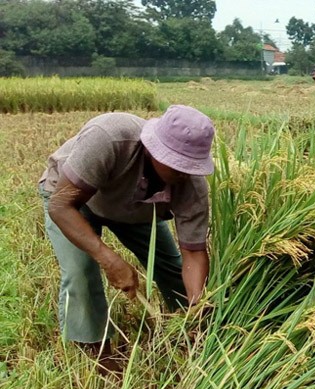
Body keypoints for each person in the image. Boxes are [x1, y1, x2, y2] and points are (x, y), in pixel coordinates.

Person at [38, 105, 215, 371]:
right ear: (155, 149)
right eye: (178, 165)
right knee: (81, 272)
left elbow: (193, 253)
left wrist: (196, 306)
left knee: (174, 271)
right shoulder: (109, 138)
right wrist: (110, 260)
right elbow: (61, 206)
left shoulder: (191, 185)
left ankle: (190, 338)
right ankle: (101, 358)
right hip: (74, 202)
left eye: (191, 166)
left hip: (136, 211)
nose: (185, 173)